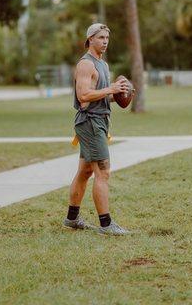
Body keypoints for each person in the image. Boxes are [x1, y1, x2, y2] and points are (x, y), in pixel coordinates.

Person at [63, 23, 132, 235]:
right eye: (101, 37)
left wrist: (120, 93)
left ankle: (72, 219)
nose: (105, 41)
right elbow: (83, 96)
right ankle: (106, 224)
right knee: (103, 172)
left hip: (100, 120)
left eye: (107, 38)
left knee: (84, 172)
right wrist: (110, 88)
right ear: (90, 39)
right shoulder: (86, 65)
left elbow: (101, 96)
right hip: (90, 122)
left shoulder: (103, 65)